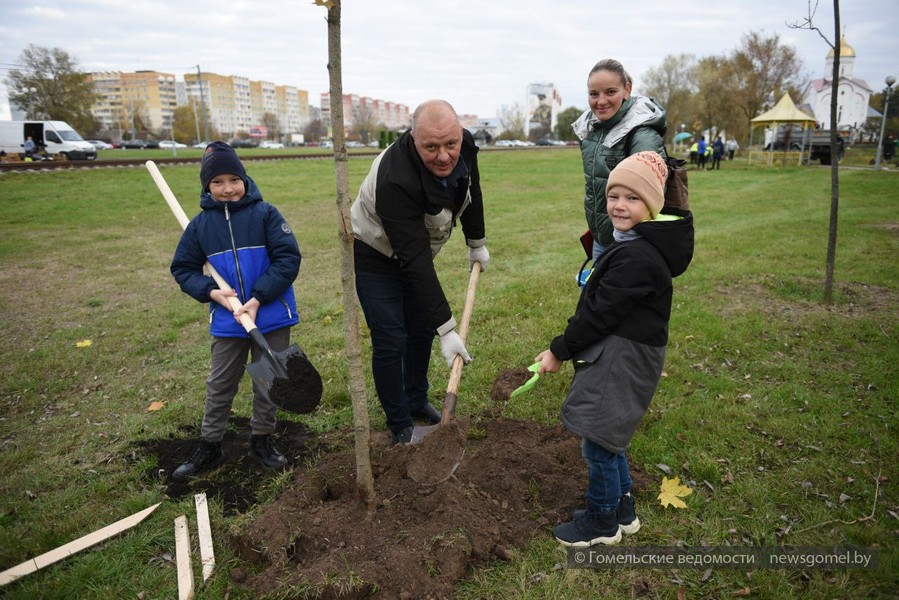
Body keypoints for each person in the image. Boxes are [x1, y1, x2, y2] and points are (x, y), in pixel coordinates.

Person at [535, 151, 694, 547]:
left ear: (653, 205)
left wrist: (559, 350)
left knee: (598, 442)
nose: (620, 206)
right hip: (627, 351)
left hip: (622, 357)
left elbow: (599, 315)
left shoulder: (637, 256)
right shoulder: (639, 245)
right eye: (614, 196)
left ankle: (602, 521)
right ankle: (623, 510)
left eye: (633, 198)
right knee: (610, 435)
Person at [351, 99, 489, 444]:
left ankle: (415, 400)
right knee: (391, 338)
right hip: (377, 254)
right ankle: (399, 423)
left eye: (450, 144)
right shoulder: (395, 178)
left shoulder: (466, 145)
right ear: (413, 139)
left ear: (460, 135)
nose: (444, 155)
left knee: (419, 329)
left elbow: (470, 190)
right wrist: (449, 329)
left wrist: (476, 241)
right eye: (431, 147)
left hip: (414, 249)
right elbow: (413, 258)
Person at [170, 141, 301, 481]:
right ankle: (210, 445)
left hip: (269, 313)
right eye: (217, 182)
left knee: (268, 380)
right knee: (220, 382)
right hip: (228, 319)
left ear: (244, 178)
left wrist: (258, 297)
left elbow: (288, 259)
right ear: (207, 186)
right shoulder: (199, 227)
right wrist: (211, 292)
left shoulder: (266, 215)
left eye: (233, 179)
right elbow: (182, 269)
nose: (227, 189)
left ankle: (262, 440)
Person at [571, 58, 667, 261]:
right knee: (596, 291)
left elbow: (652, 193)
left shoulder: (642, 134)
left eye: (610, 92)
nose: (601, 101)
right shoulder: (590, 131)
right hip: (602, 236)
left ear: (627, 89)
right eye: (594, 94)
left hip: (631, 240)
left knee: (620, 291)